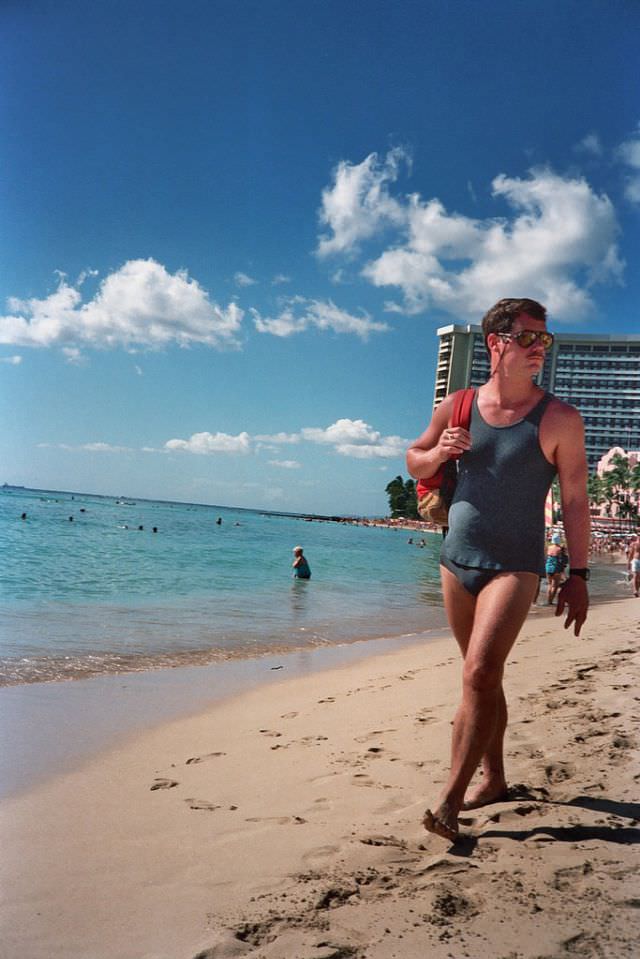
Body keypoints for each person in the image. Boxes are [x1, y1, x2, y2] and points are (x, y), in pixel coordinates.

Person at [406, 298, 590, 843]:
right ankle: (496, 780)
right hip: (454, 560)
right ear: (496, 342)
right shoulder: (458, 404)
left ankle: (450, 800)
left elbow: (576, 500)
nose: (540, 348)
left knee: (479, 675)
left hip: (515, 564)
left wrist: (577, 575)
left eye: (545, 339)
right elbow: (413, 458)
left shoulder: (559, 418)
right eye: (530, 337)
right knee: (481, 677)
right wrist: (439, 451)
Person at [545, 532, 565, 605]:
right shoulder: (559, 549)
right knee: (555, 586)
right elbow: (562, 560)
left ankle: (548, 601)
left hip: (548, 566)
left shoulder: (549, 547)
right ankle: (551, 601)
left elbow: (546, 557)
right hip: (556, 567)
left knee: (549, 585)